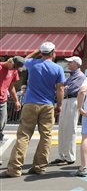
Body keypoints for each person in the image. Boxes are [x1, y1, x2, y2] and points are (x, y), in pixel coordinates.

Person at [2, 42, 65, 177]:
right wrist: (59, 105)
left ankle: (14, 169)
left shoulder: (32, 64)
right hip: (48, 105)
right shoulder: (58, 69)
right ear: (53, 53)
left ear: (41, 53)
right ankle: (40, 167)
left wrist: (38, 51)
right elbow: (60, 89)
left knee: (23, 136)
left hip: (30, 103)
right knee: (46, 136)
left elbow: (26, 59)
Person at [50, 56, 86, 166]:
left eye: (70, 62)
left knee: (70, 129)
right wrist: (63, 88)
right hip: (66, 100)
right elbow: (63, 87)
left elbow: (69, 88)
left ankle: (70, 157)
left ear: (77, 64)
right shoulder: (71, 76)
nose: (68, 64)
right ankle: (62, 156)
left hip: (72, 100)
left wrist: (63, 88)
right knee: (62, 129)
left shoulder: (80, 76)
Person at [0, 56, 24, 142]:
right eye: (15, 67)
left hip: (3, 100)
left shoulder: (14, 71)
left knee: (2, 122)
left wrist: (16, 101)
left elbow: (11, 87)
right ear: (10, 62)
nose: (15, 69)